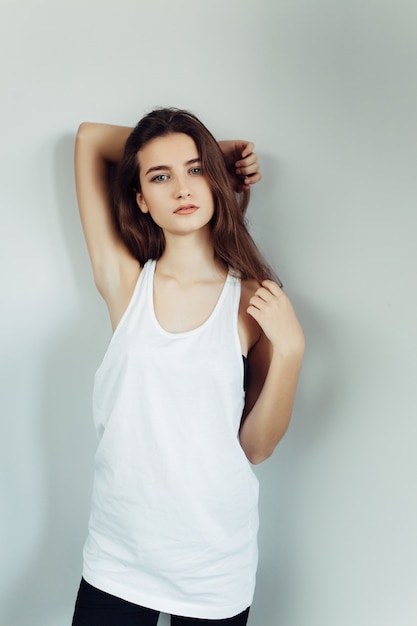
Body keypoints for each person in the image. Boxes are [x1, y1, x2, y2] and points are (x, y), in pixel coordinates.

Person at [71, 107, 305, 626]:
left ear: (218, 187)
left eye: (196, 171)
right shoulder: (126, 284)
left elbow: (256, 447)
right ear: (141, 200)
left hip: (212, 565)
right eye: (161, 176)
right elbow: (89, 140)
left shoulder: (252, 302)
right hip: (119, 557)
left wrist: (290, 352)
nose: (182, 188)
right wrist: (214, 150)